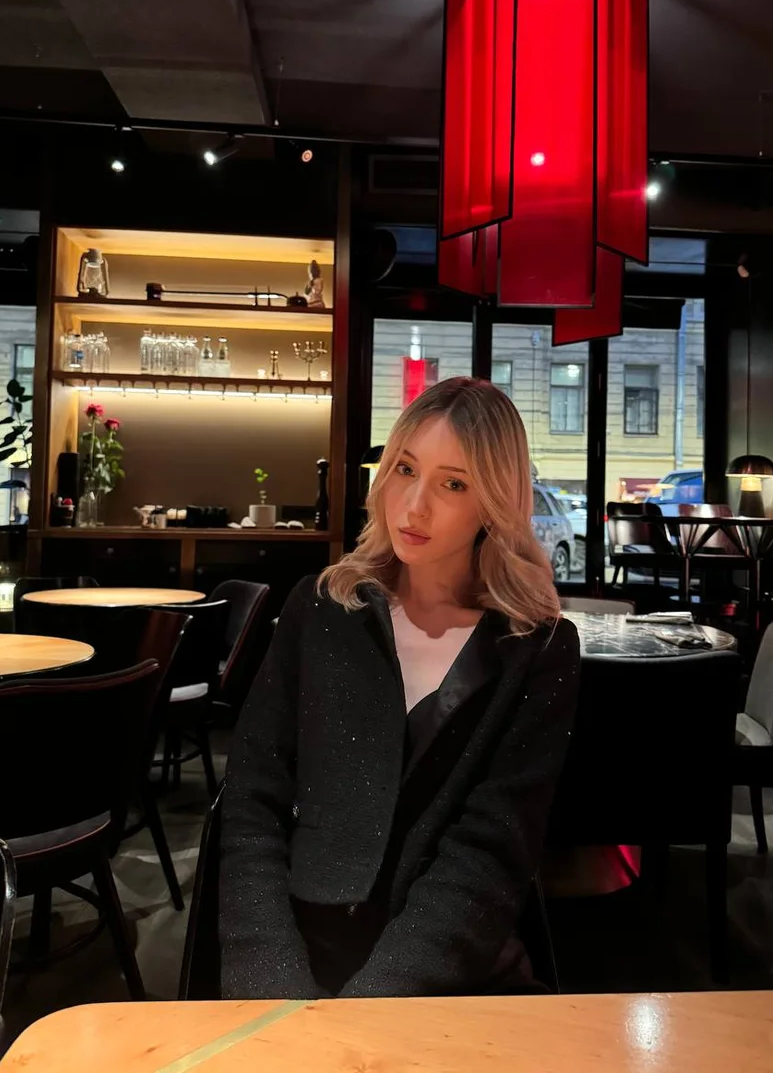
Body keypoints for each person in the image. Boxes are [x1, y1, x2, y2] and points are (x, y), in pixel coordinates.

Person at [218, 376, 580, 998]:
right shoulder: (323, 608)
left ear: (494, 502)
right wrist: (269, 981)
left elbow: (490, 851)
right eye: (405, 470)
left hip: (449, 970)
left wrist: (373, 1007)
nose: (414, 506)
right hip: (300, 951)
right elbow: (252, 801)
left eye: (453, 484)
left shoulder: (537, 648)